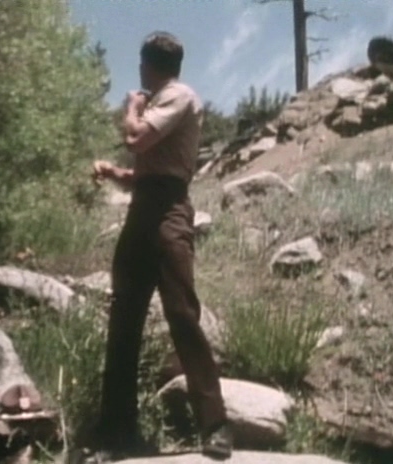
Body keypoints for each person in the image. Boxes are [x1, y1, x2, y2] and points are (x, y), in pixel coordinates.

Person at [85, 31, 233, 463]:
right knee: (124, 316)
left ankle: (216, 425)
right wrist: (114, 173)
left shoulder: (177, 96)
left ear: (148, 65)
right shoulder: (165, 103)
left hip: (169, 212)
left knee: (182, 312)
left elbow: (136, 139)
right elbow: (148, 170)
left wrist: (132, 107)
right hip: (144, 210)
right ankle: (117, 431)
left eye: (141, 65)